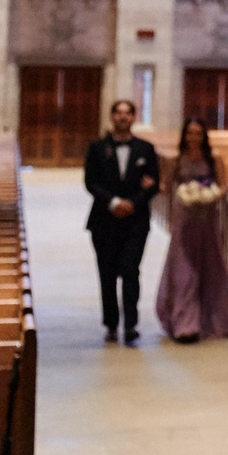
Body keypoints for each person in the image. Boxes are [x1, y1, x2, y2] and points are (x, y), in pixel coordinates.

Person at [154, 117, 228, 344]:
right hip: (184, 220)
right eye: (190, 133)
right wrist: (157, 186)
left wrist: (211, 194)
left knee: (210, 267)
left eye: (198, 133)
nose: (193, 138)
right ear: (184, 135)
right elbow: (166, 187)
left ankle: (211, 319)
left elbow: (224, 184)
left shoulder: (214, 158)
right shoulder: (176, 160)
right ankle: (185, 323)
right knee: (184, 270)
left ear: (204, 136)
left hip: (208, 220)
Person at [83, 98, 163, 345]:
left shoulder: (145, 149)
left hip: (136, 221)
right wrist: (114, 202)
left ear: (133, 117)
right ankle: (110, 324)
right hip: (104, 220)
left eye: (127, 113)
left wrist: (133, 203)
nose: (123, 117)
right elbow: (91, 182)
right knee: (106, 274)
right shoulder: (97, 148)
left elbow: (154, 183)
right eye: (118, 113)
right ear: (111, 117)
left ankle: (130, 324)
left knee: (131, 271)